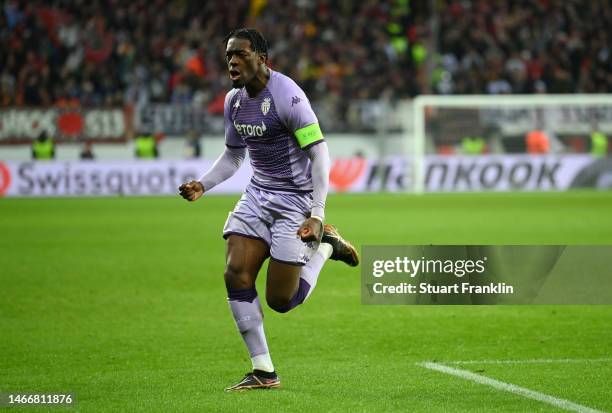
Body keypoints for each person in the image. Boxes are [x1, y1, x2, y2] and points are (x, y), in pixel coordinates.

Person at [178, 28, 359, 392]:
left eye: (241, 54)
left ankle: (326, 246)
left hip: (296, 200)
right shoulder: (234, 102)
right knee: (235, 272)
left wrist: (318, 213)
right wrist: (204, 184)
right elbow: (233, 154)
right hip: (258, 194)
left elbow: (319, 153)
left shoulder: (288, 97)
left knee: (281, 300)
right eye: (229, 54)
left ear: (263, 58)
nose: (232, 61)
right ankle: (263, 370)